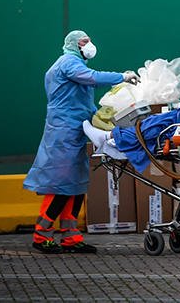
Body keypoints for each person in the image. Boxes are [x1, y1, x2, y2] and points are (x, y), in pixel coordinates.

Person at [23, 31, 137, 253]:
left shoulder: (75, 66)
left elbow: (86, 98)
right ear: (73, 44)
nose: (89, 45)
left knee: (75, 185)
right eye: (84, 42)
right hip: (63, 133)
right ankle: (41, 235)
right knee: (60, 184)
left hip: (75, 131)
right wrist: (121, 77)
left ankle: (71, 237)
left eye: (89, 41)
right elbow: (92, 77)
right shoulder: (68, 62)